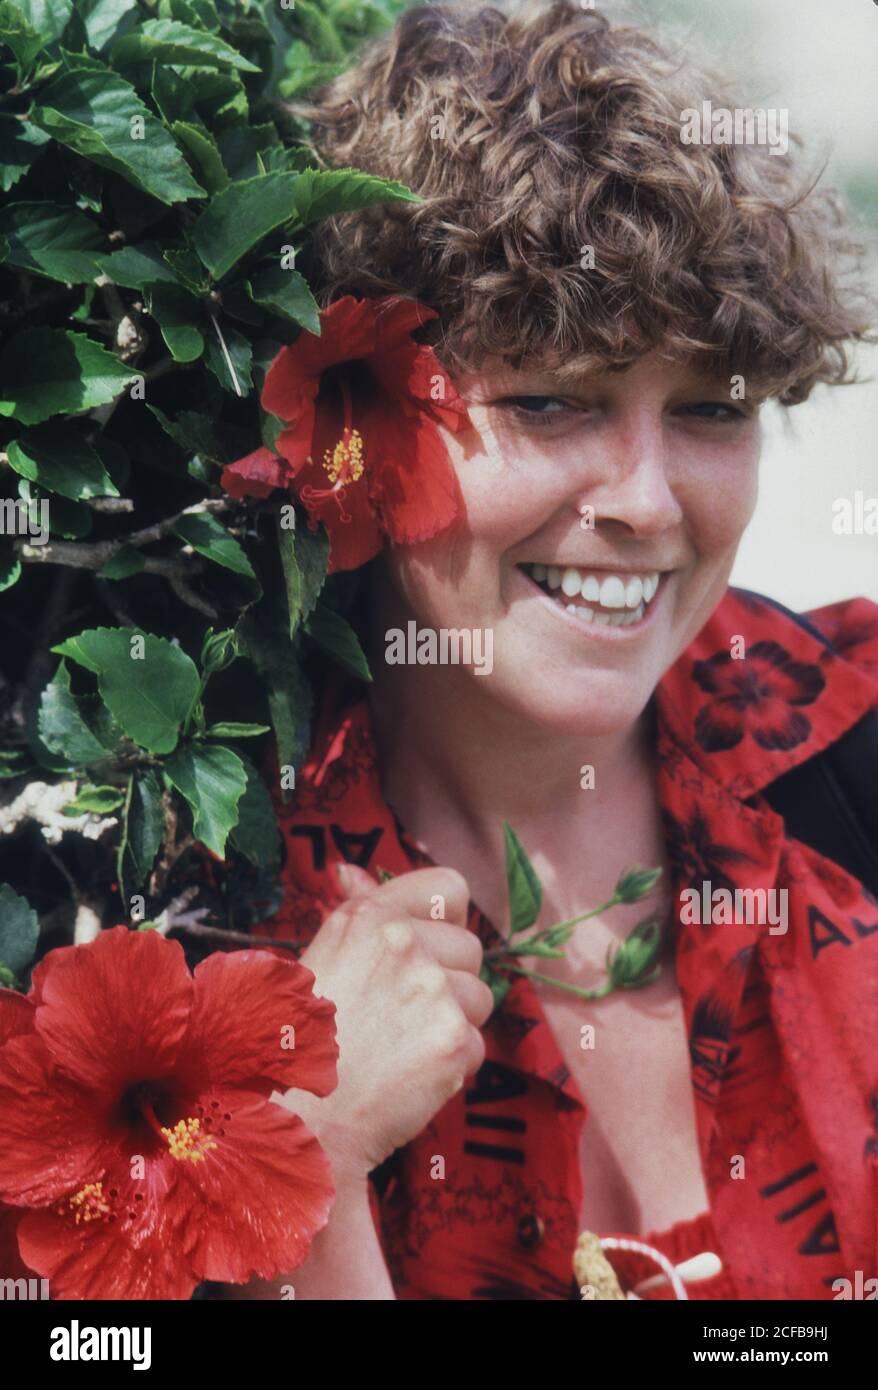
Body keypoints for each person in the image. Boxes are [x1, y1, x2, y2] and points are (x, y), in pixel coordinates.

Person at [224, 1, 878, 1299]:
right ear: (354, 414)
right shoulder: (195, 913)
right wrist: (299, 1152)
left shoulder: (852, 752)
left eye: (706, 409)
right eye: (545, 398)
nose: (643, 499)